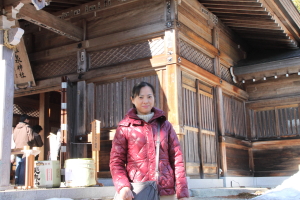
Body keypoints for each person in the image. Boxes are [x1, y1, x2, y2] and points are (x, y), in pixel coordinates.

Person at [110, 82, 189, 200]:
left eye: (149, 96)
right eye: (141, 97)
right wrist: (123, 187)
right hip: (137, 190)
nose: (145, 101)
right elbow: (116, 162)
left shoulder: (165, 125)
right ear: (132, 99)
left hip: (165, 191)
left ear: (154, 98)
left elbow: (177, 160)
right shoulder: (124, 127)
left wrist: (182, 192)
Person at [13, 114, 34, 185]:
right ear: (26, 120)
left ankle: (16, 181)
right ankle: (22, 182)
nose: (29, 121)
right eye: (28, 119)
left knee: (18, 165)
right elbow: (31, 138)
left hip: (17, 148)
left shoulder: (16, 128)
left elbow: (14, 138)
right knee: (24, 165)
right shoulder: (27, 127)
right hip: (25, 148)